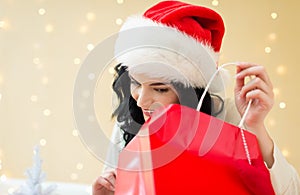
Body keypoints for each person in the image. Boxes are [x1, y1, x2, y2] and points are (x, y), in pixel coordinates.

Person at [92, 1, 300, 194]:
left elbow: (290, 191)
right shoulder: (131, 121)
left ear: (190, 91)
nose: (140, 101)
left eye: (160, 89)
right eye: (136, 83)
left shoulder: (231, 117)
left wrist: (256, 127)